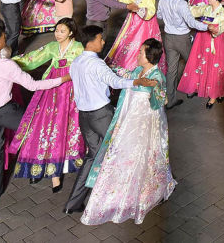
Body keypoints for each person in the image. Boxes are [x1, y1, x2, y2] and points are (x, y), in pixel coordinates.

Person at [0, 23, 66, 206]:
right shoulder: (6, 65)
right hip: (6, 112)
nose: (5, 38)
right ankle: (36, 173)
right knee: (35, 132)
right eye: (2, 37)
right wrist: (62, 79)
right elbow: (33, 85)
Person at [81, 38, 177, 225]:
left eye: (141, 52)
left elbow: (161, 100)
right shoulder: (137, 71)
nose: (138, 54)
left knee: (143, 159)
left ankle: (142, 193)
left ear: (149, 56)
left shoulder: (157, 77)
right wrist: (109, 68)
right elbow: (124, 75)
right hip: (128, 126)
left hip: (144, 128)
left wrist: (154, 86)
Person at [63, 25, 158, 214]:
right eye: (100, 38)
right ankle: (118, 198)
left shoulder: (76, 62)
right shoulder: (96, 64)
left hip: (84, 117)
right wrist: (137, 81)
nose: (103, 41)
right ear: (90, 42)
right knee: (120, 150)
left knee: (92, 156)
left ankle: (72, 203)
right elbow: (115, 82)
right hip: (101, 114)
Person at [6, 18, 85, 191]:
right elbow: (32, 58)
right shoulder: (51, 47)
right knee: (42, 127)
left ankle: (56, 172)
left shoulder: (79, 48)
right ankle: (39, 166)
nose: (58, 34)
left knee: (64, 129)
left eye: (62, 31)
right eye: (57, 30)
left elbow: (85, 68)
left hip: (70, 93)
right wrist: (9, 63)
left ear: (71, 32)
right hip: (52, 90)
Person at [157, 0, 217, 110]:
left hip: (168, 37)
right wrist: (207, 26)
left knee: (171, 69)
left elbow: (159, 15)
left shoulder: (162, 0)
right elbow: (191, 22)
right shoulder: (182, 4)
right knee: (191, 63)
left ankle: (170, 99)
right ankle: (191, 90)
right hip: (182, 38)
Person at [177, 0, 224, 108]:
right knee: (199, 63)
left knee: (215, 66)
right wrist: (183, 6)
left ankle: (214, 95)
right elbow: (193, 10)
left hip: (215, 43)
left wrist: (214, 28)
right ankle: (196, 86)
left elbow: (221, 28)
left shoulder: (222, 13)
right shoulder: (206, 8)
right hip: (202, 41)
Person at [106, 0, 160, 70]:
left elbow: (151, 12)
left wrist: (137, 9)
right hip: (133, 25)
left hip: (143, 28)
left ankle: (132, 67)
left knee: (138, 45)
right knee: (128, 43)